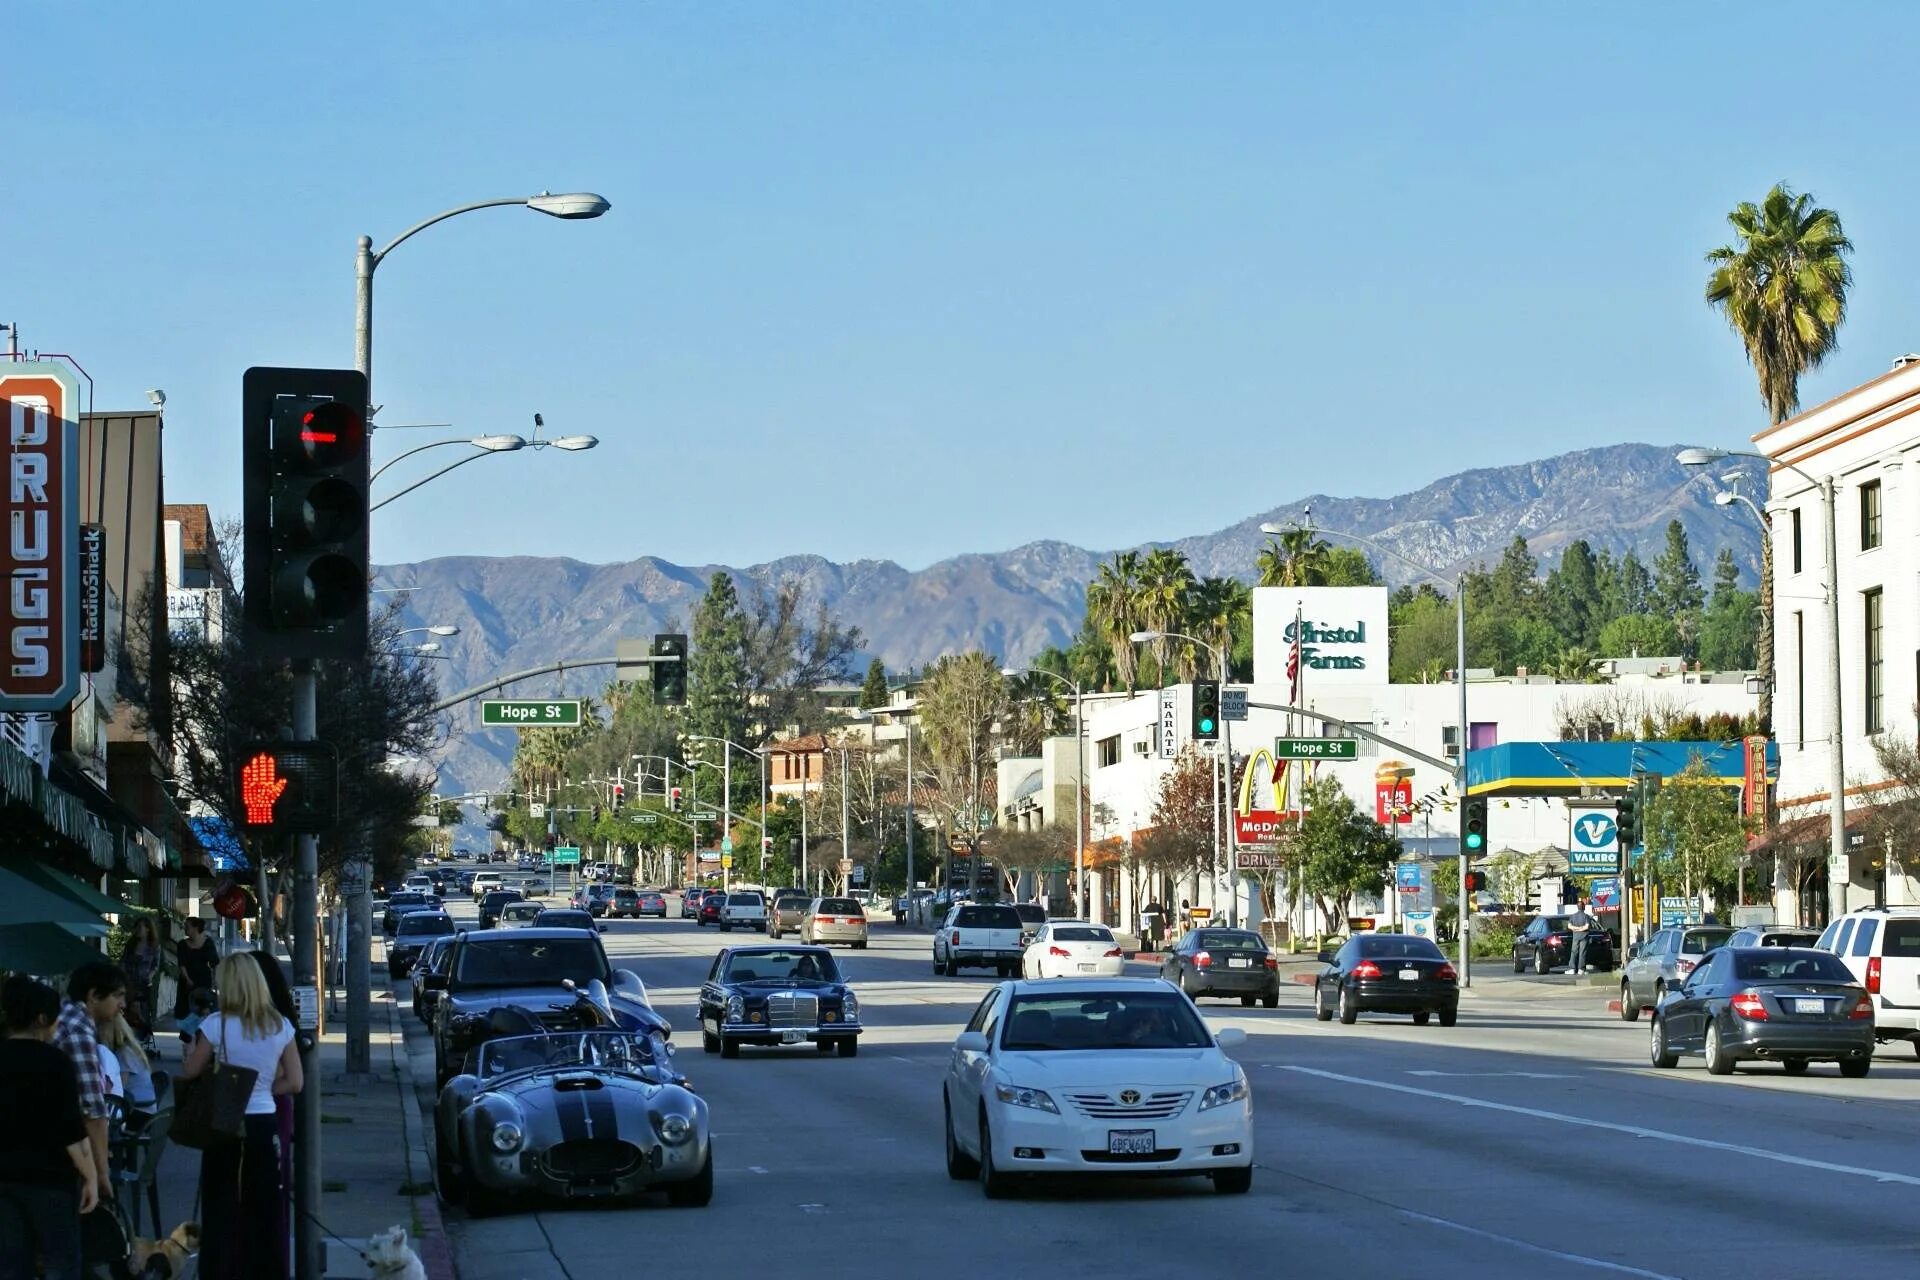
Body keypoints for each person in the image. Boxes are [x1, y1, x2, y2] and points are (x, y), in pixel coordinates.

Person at [182, 953, 301, 1280]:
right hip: (265, 1121)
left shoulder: (215, 1025)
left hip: (225, 1122)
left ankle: (220, 1271)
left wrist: (192, 1051)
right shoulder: (280, 1026)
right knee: (264, 1207)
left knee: (221, 1206)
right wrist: (262, 1086)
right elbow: (295, 1081)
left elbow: (191, 1070)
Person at [0, 974, 99, 1280]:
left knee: (11, 1264)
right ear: (42, 1019)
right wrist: (92, 1175)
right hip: (50, 1178)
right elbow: (71, 1129)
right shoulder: (55, 1062)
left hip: (4, 1176)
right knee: (60, 1261)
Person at [54, 961, 124, 1213]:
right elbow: (93, 1110)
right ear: (94, 995)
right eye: (117, 995)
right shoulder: (79, 1030)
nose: (122, 1005)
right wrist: (100, 1172)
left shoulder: (64, 1017)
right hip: (62, 1154)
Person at [121, 919, 161, 1049]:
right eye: (136, 927)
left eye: (141, 927)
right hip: (129, 982)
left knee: (142, 1010)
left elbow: (155, 965)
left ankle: (143, 1036)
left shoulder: (154, 946)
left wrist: (150, 976)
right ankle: (128, 1035)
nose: (138, 930)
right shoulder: (131, 944)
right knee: (128, 1008)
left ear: (148, 929)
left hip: (144, 982)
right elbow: (124, 962)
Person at [175, 917, 219, 1017]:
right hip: (187, 982)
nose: (184, 928)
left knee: (204, 1010)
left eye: (187, 926)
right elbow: (182, 964)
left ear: (196, 928)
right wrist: (187, 980)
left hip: (203, 981)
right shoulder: (182, 944)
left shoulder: (208, 943)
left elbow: (215, 963)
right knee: (186, 1012)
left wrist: (215, 982)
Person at [1567, 898, 1594, 976]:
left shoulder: (1573, 916)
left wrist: (1576, 929)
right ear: (1584, 907)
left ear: (1577, 907)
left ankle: (1572, 969)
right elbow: (1587, 926)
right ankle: (1581, 969)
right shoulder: (1586, 916)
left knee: (1574, 952)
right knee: (1582, 953)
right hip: (1584, 936)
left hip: (1575, 936)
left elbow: (1569, 926)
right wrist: (1581, 929)